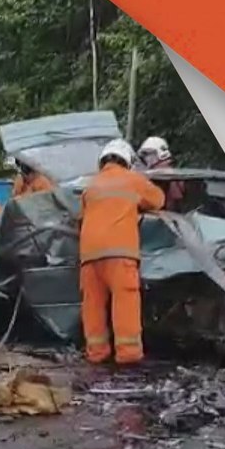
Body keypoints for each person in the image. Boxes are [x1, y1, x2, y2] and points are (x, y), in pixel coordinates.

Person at [78, 139, 165, 366]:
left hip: (88, 255)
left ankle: (97, 354)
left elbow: (83, 216)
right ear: (127, 161)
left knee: (93, 305)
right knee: (124, 302)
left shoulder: (91, 186)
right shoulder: (132, 180)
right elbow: (158, 200)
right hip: (120, 253)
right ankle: (128, 356)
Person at [137, 136, 184, 209]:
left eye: (148, 154)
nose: (146, 158)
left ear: (161, 153)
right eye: (144, 155)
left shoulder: (160, 173)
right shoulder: (170, 170)